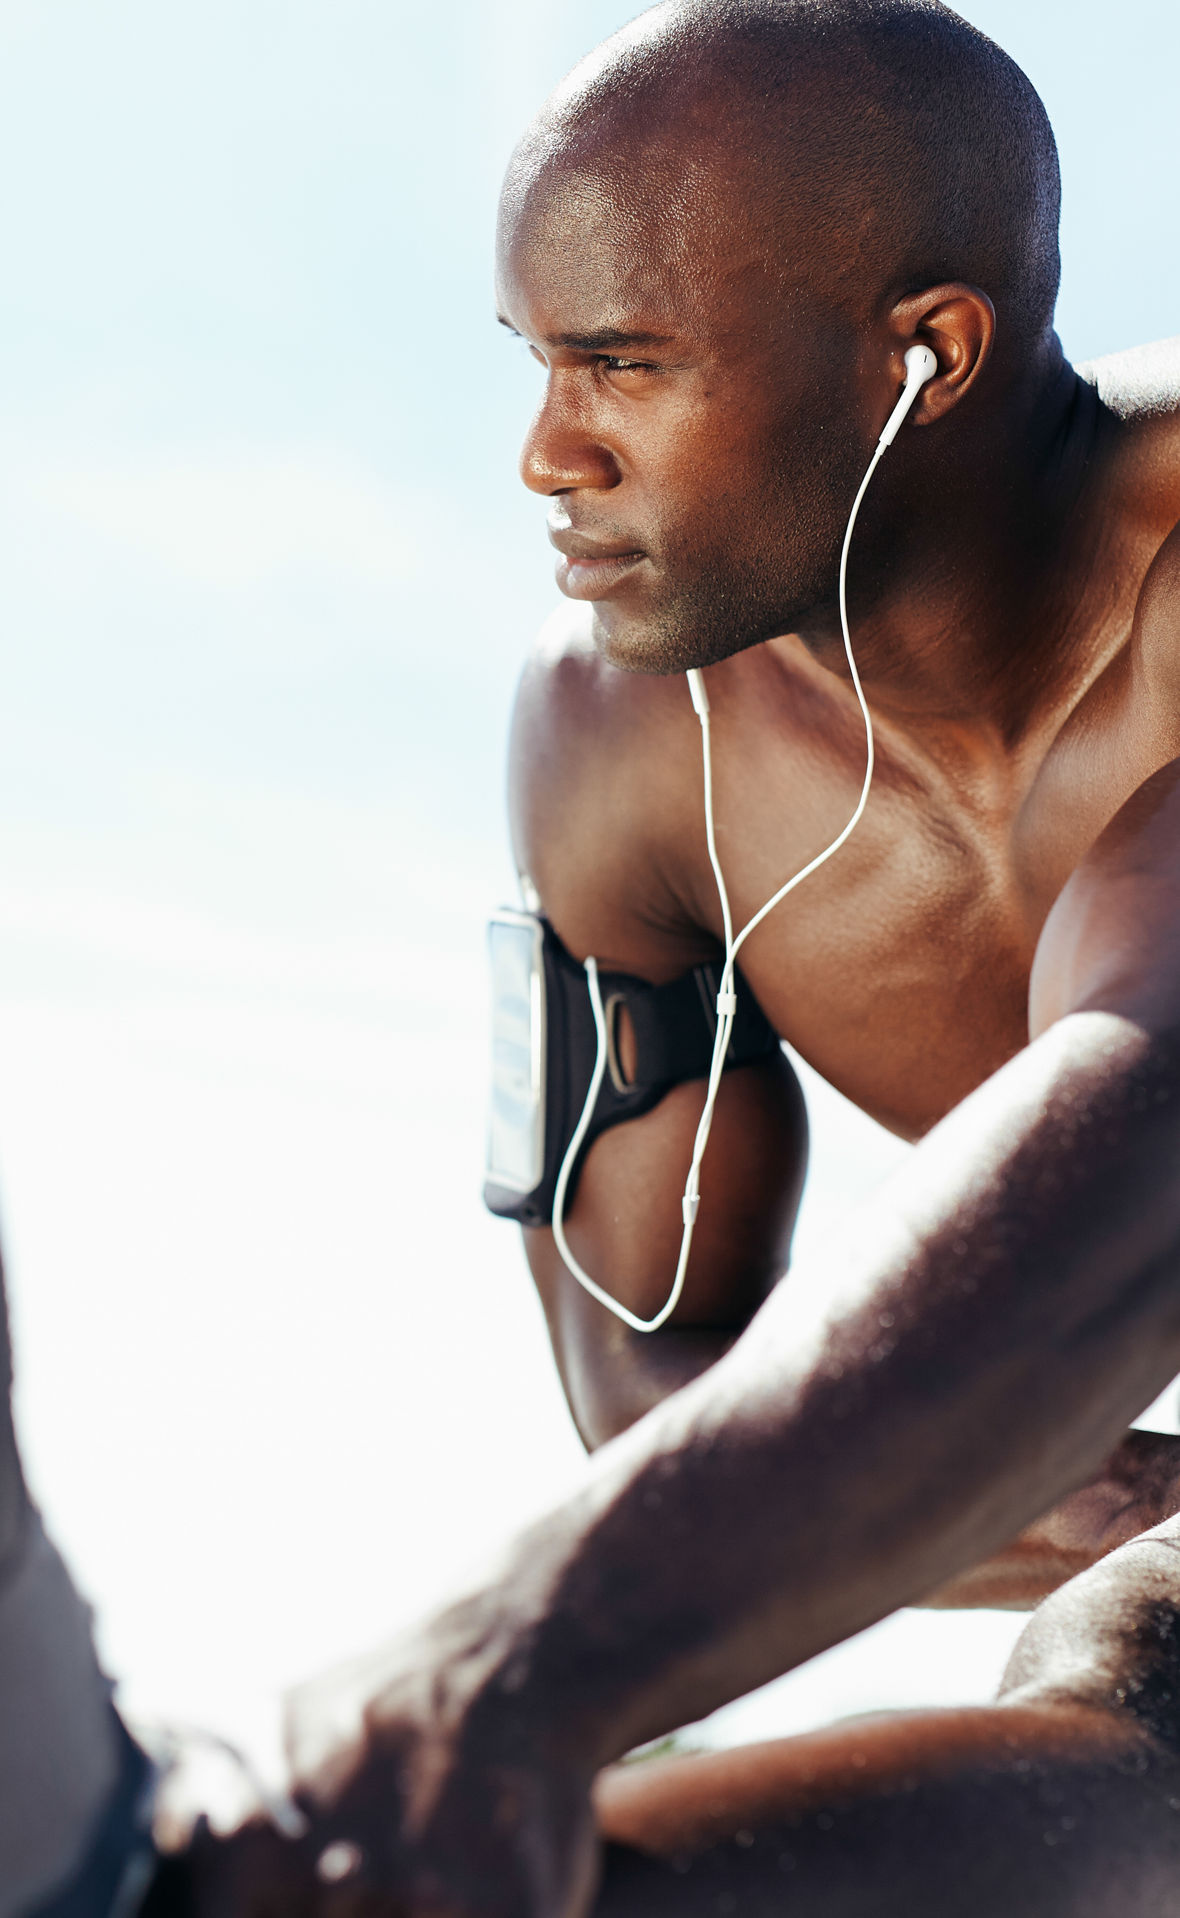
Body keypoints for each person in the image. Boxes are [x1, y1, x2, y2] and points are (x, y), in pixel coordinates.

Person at [133, 0, 1180, 1909]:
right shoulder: (616, 753)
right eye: (535, 364)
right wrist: (1083, 1487)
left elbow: (1156, 1100)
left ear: (923, 360)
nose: (547, 452)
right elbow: (640, 1364)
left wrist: (528, 1644)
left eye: (621, 364)